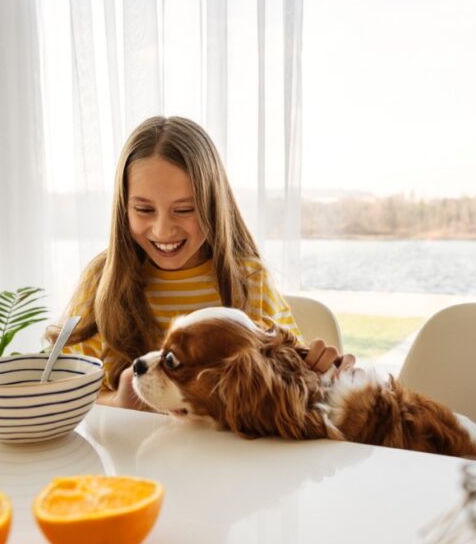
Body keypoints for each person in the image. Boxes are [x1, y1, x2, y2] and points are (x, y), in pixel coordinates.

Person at [51, 116, 353, 409]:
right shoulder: (101, 282)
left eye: (184, 210)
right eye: (143, 209)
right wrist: (118, 402)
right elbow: (60, 392)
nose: (162, 230)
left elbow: (291, 388)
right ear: (123, 207)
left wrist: (325, 376)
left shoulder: (249, 282)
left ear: (213, 206)